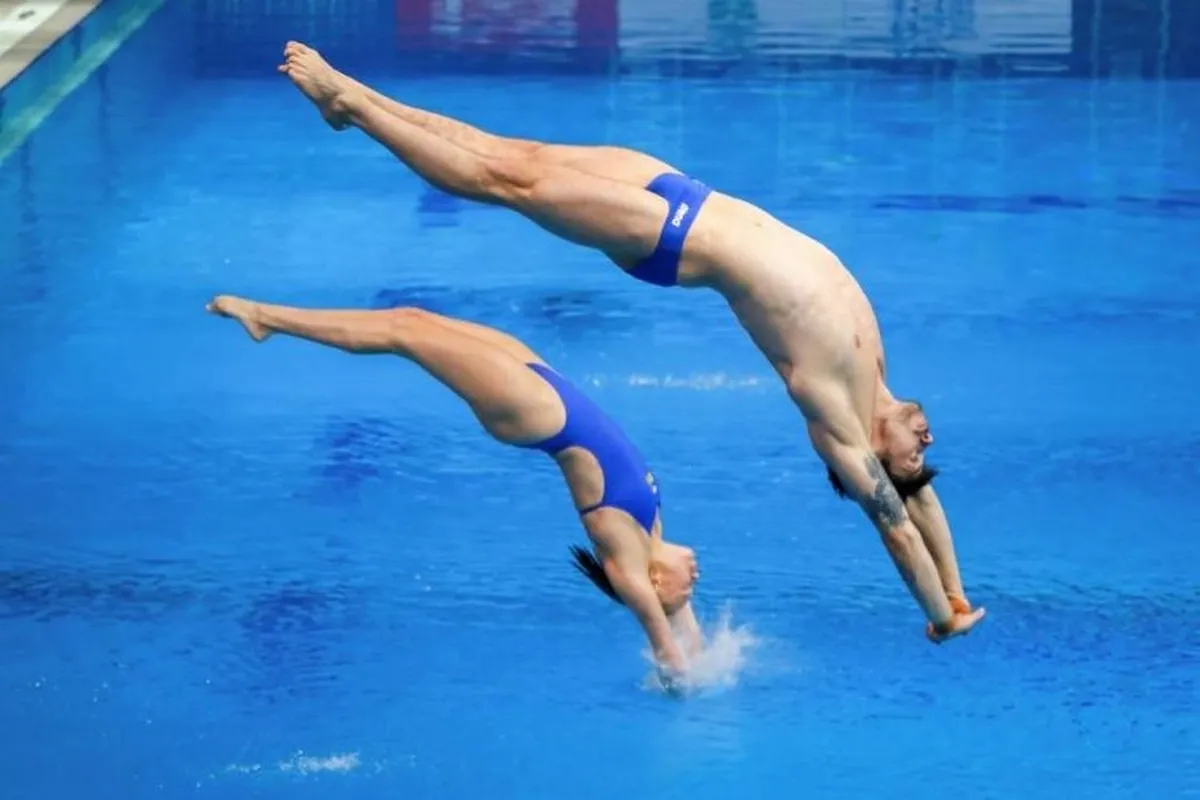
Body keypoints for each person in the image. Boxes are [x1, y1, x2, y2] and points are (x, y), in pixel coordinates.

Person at [276, 42, 987, 644]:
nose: (926, 442)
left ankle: (353, 107)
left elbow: (897, 524)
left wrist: (936, 616)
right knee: (513, 154)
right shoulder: (877, 374)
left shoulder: (838, 425)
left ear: (874, 463)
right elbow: (922, 505)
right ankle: (353, 99)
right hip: (685, 191)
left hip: (672, 239)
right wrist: (956, 589)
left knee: (506, 183)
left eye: (916, 456)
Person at [205, 295, 702, 684]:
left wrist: (677, 671)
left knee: (403, 333)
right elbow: (689, 632)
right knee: (412, 317)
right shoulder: (652, 534)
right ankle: (267, 318)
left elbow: (664, 645)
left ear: (654, 585)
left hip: (536, 413)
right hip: (548, 385)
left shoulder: (627, 561)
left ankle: (265, 318)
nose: (696, 575)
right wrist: (696, 643)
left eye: (685, 589)